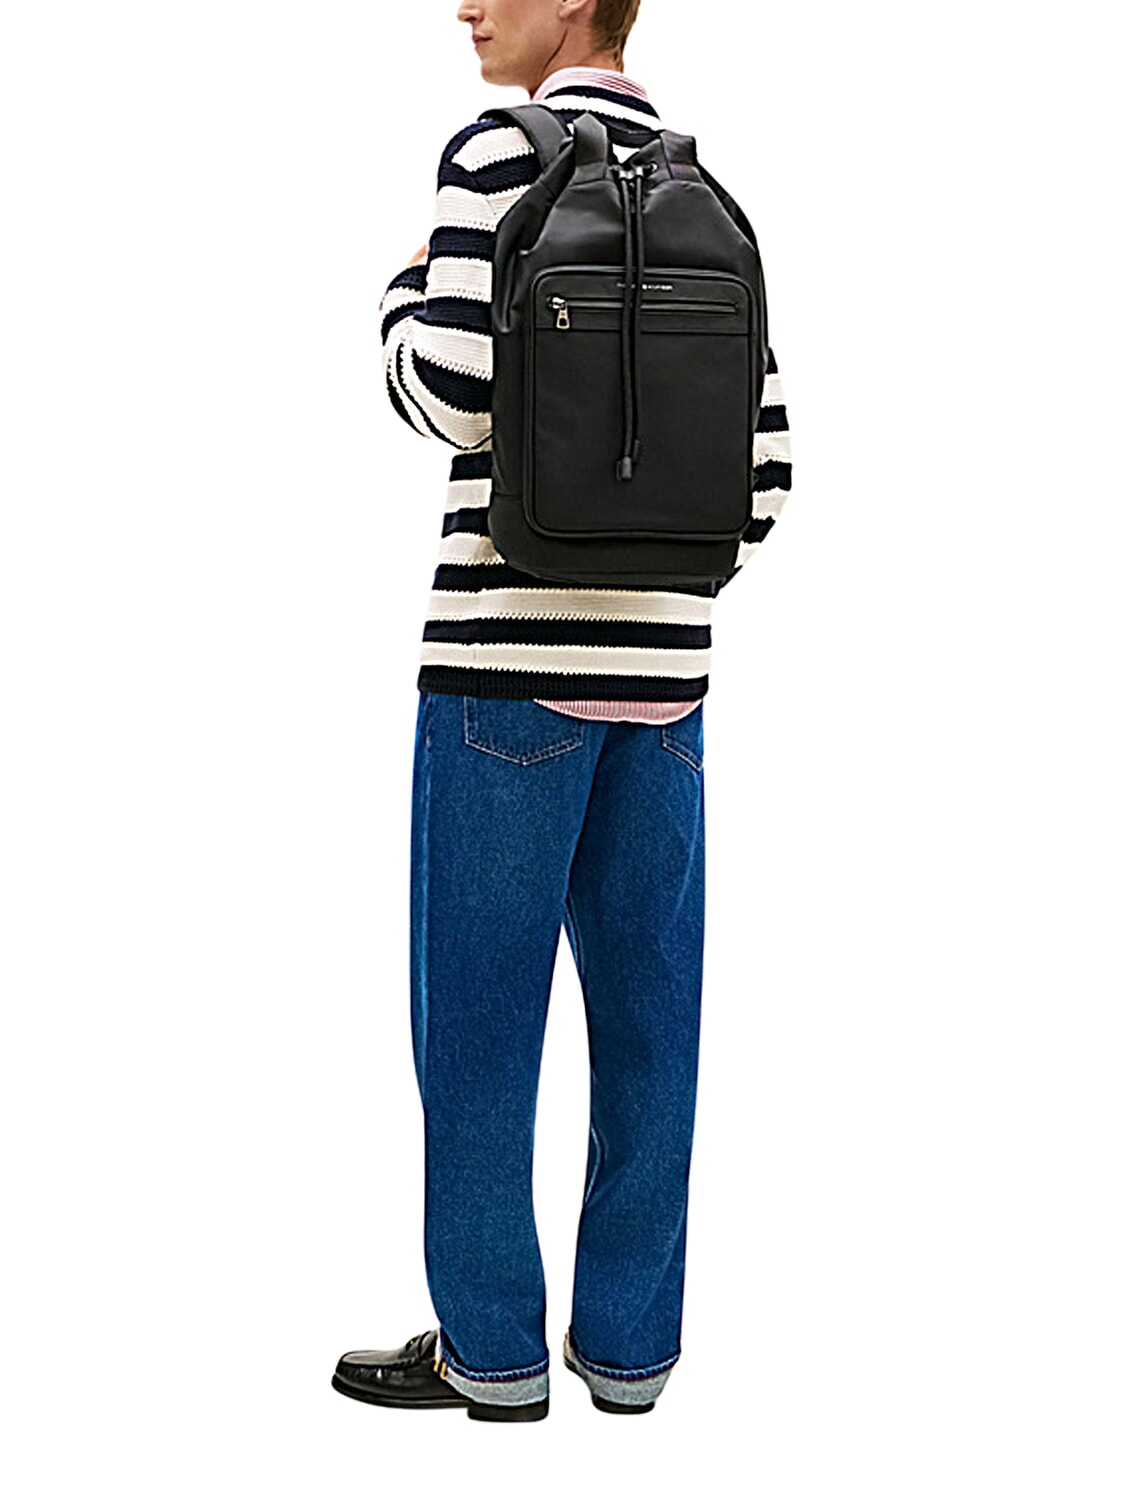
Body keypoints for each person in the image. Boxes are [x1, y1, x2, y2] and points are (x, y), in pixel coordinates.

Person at [331, 0, 792, 1422]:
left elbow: (451, 390)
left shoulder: (494, 152)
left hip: (498, 672)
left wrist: (397, 303)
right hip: (669, 690)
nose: (467, 5)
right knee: (653, 1032)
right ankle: (630, 1356)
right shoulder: (712, 188)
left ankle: (493, 1355)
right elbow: (766, 480)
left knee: (477, 1034)